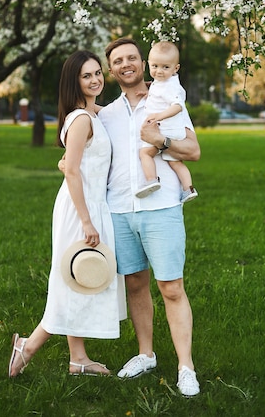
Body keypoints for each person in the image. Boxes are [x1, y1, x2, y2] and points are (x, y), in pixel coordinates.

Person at [8, 50, 126, 379]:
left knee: (81, 279)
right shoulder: (82, 119)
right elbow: (72, 171)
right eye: (86, 76)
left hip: (91, 204)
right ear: (74, 82)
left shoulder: (93, 113)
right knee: (72, 280)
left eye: (97, 73)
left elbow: (120, 112)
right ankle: (28, 347)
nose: (96, 79)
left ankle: (79, 360)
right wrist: (87, 220)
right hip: (80, 208)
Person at [100, 37, 201, 396]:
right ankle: (146, 354)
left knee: (171, 287)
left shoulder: (166, 99)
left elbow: (193, 150)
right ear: (111, 70)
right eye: (117, 61)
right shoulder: (105, 114)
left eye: (131, 58)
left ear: (143, 63)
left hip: (161, 208)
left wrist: (160, 141)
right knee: (135, 285)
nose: (125, 64)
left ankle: (185, 367)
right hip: (120, 211)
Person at [135, 40, 198, 203]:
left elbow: (177, 106)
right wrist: (148, 94)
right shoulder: (163, 82)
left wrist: (159, 116)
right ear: (148, 64)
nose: (159, 71)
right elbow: (158, 92)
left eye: (165, 67)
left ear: (176, 68)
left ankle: (151, 180)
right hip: (171, 130)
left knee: (145, 153)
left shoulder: (171, 87)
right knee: (175, 162)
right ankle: (188, 188)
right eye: (155, 66)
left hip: (166, 130)